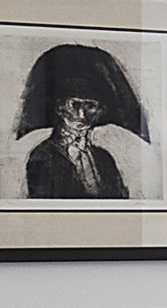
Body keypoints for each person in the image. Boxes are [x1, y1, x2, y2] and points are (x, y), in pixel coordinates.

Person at [14, 41, 149, 201]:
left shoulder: (104, 159)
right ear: (59, 107)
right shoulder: (43, 156)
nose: (81, 115)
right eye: (75, 104)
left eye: (90, 106)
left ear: (100, 111)